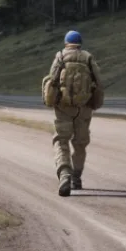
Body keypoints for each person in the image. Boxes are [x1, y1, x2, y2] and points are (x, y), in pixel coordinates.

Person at [46, 30, 104, 196]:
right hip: (84, 108)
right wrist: (94, 103)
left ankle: (65, 174)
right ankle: (76, 178)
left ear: (66, 43)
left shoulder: (60, 57)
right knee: (80, 144)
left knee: (61, 141)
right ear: (80, 43)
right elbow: (99, 83)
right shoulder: (88, 58)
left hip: (63, 108)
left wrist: (51, 100)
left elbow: (52, 80)